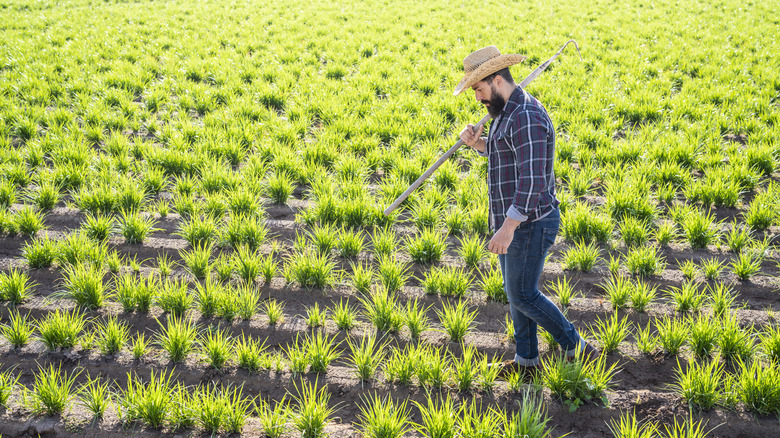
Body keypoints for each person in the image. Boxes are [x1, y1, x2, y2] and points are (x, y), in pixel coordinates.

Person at [455, 46, 598, 379]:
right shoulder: (506, 112)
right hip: (516, 221)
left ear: (496, 79)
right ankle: (526, 362)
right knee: (516, 293)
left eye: (478, 88)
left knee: (522, 293)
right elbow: (506, 153)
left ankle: (578, 347)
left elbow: (532, 182)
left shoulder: (526, 116)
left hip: (529, 223)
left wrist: (507, 228)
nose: (477, 97)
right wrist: (478, 144)